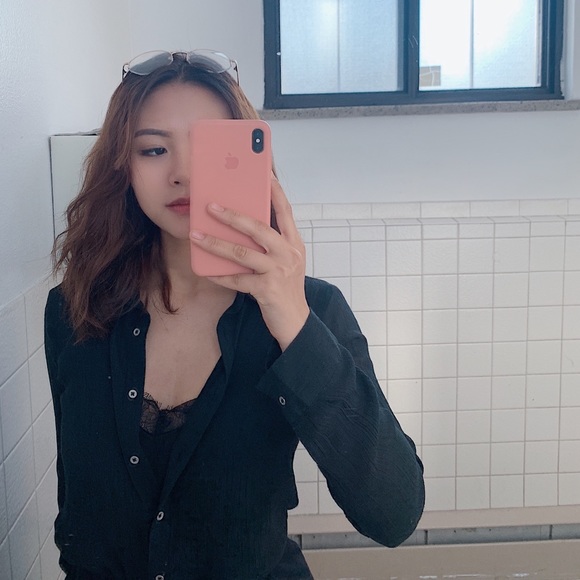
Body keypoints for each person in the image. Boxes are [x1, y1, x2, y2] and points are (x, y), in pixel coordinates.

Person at [45, 50, 425, 579]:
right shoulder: (75, 309)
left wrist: (292, 321)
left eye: (210, 149)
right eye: (154, 149)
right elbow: (77, 507)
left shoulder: (310, 310)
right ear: (122, 167)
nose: (183, 174)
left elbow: (394, 513)